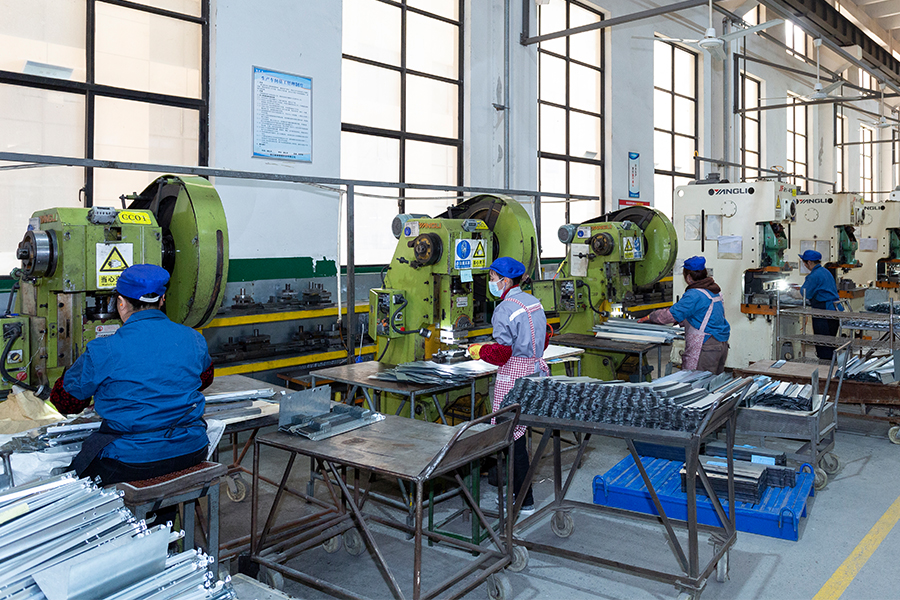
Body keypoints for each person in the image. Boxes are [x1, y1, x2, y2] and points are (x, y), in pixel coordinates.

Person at [50, 264, 214, 485]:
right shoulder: (193, 338)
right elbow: (204, 379)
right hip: (191, 450)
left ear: (120, 302)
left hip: (130, 461)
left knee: (69, 485)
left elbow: (65, 402)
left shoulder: (104, 349)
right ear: (162, 299)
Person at [467, 257, 549, 515]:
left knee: (512, 440)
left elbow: (502, 354)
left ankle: (524, 500)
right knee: (520, 436)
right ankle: (519, 493)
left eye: (492, 278)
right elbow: (546, 338)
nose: (491, 282)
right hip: (535, 373)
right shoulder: (533, 302)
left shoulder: (504, 309)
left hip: (514, 380)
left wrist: (480, 350)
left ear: (505, 280)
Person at [640, 255, 730, 374]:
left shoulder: (694, 294)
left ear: (688, 277)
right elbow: (703, 315)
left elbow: (670, 315)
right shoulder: (713, 291)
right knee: (713, 381)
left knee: (696, 381)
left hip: (706, 346)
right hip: (720, 345)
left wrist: (651, 317)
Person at [795, 249, 843, 360]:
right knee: (829, 343)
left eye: (804, 262)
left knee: (823, 345)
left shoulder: (813, 276)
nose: (804, 265)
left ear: (809, 262)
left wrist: (790, 292)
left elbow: (804, 293)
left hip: (823, 312)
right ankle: (831, 366)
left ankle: (825, 368)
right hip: (835, 311)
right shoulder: (825, 271)